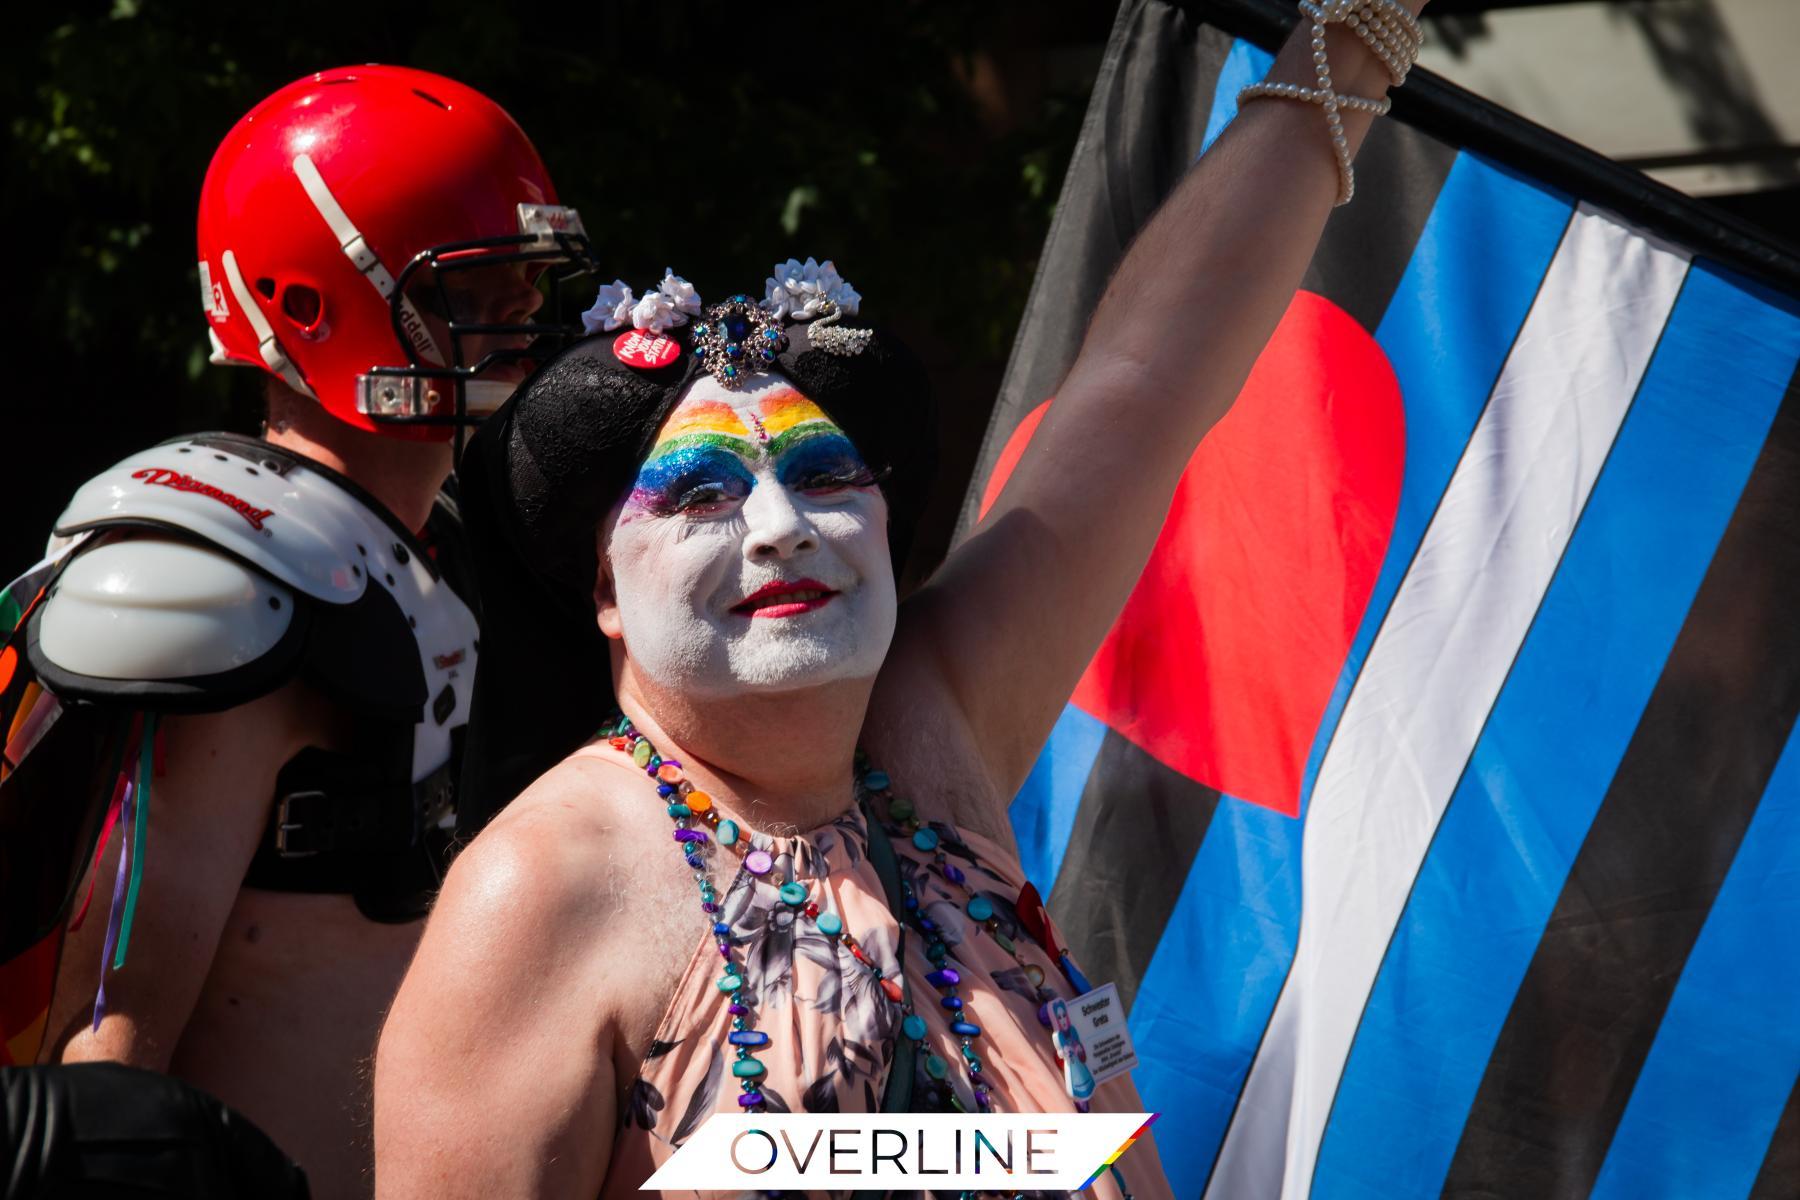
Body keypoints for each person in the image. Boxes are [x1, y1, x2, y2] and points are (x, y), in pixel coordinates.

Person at [374, 2, 1426, 1196]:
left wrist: (1354, 33)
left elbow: (1144, 384)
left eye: (826, 476)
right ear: (605, 588)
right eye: (702, 493)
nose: (782, 525)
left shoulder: (934, 721)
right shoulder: (544, 886)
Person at [0, 65, 596, 1198]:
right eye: (474, 279)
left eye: (529, 271)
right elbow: (106, 1059)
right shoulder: (222, 579)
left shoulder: (431, 540)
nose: (524, 305)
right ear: (310, 303)